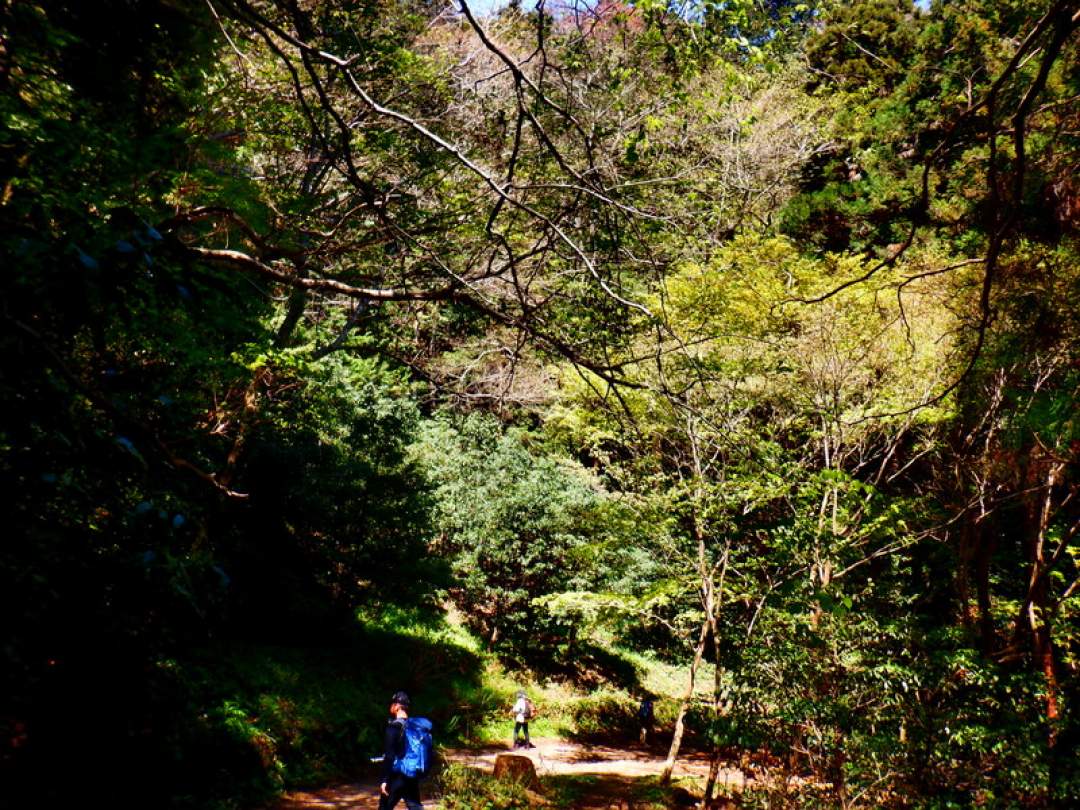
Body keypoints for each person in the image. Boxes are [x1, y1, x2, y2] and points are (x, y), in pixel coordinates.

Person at [379, 691, 423, 810]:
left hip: (397, 776)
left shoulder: (393, 727)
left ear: (397, 706)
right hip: (412, 774)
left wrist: (385, 780)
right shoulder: (415, 727)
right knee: (415, 807)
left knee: (384, 807)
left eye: (392, 704)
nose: (391, 706)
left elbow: (389, 756)